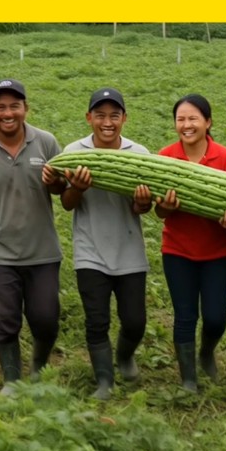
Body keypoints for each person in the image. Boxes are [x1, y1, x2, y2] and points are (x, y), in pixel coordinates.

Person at [51, 87, 153, 400]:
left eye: (114, 115)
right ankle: (104, 381)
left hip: (129, 248)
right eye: (100, 115)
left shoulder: (139, 154)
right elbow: (68, 203)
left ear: (124, 118)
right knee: (97, 320)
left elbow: (144, 209)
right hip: (89, 250)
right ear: (89, 118)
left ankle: (124, 356)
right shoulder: (74, 151)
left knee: (135, 321)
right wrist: (78, 188)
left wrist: (141, 203)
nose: (107, 122)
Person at [0, 78, 65, 394]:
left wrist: (55, 181)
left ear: (25, 108)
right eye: (0, 107)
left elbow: (63, 192)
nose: (8, 113)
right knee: (4, 322)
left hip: (42, 251)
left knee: (46, 320)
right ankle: (12, 382)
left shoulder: (46, 143)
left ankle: (39, 365)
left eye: (14, 105)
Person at [154, 94, 226, 394]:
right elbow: (159, 211)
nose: (186, 125)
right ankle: (188, 378)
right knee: (185, 315)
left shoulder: (225, 158)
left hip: (217, 252)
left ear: (208, 122)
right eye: (181, 119)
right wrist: (167, 206)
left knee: (215, 318)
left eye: (193, 118)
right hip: (177, 249)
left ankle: (206, 351)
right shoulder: (165, 157)